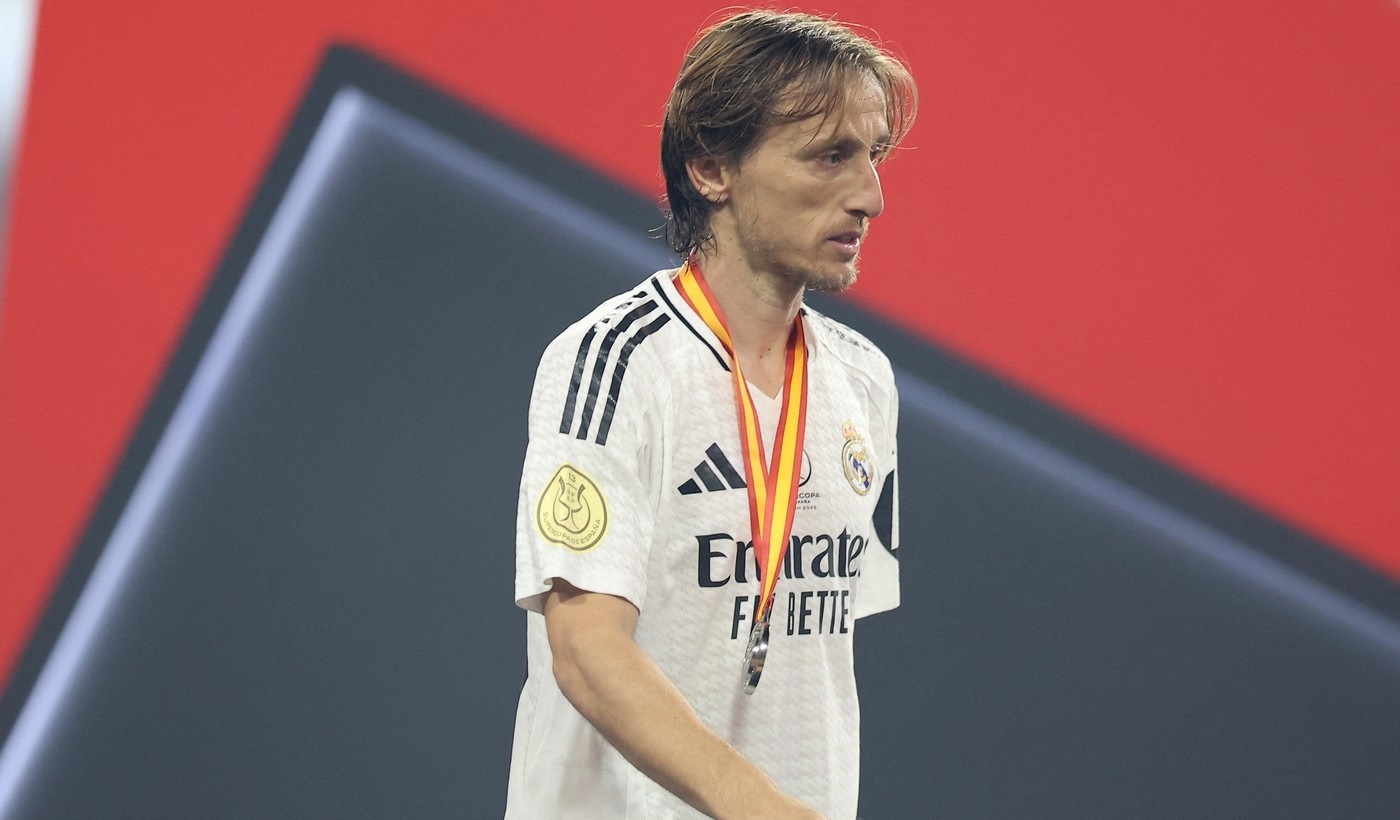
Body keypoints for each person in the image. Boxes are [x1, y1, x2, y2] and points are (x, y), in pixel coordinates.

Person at [506, 9, 915, 819]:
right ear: (710, 169)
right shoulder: (615, 363)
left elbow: (810, 657)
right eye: (830, 156)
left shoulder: (864, 381)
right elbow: (586, 651)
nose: (870, 196)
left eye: (873, 157)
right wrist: (756, 805)